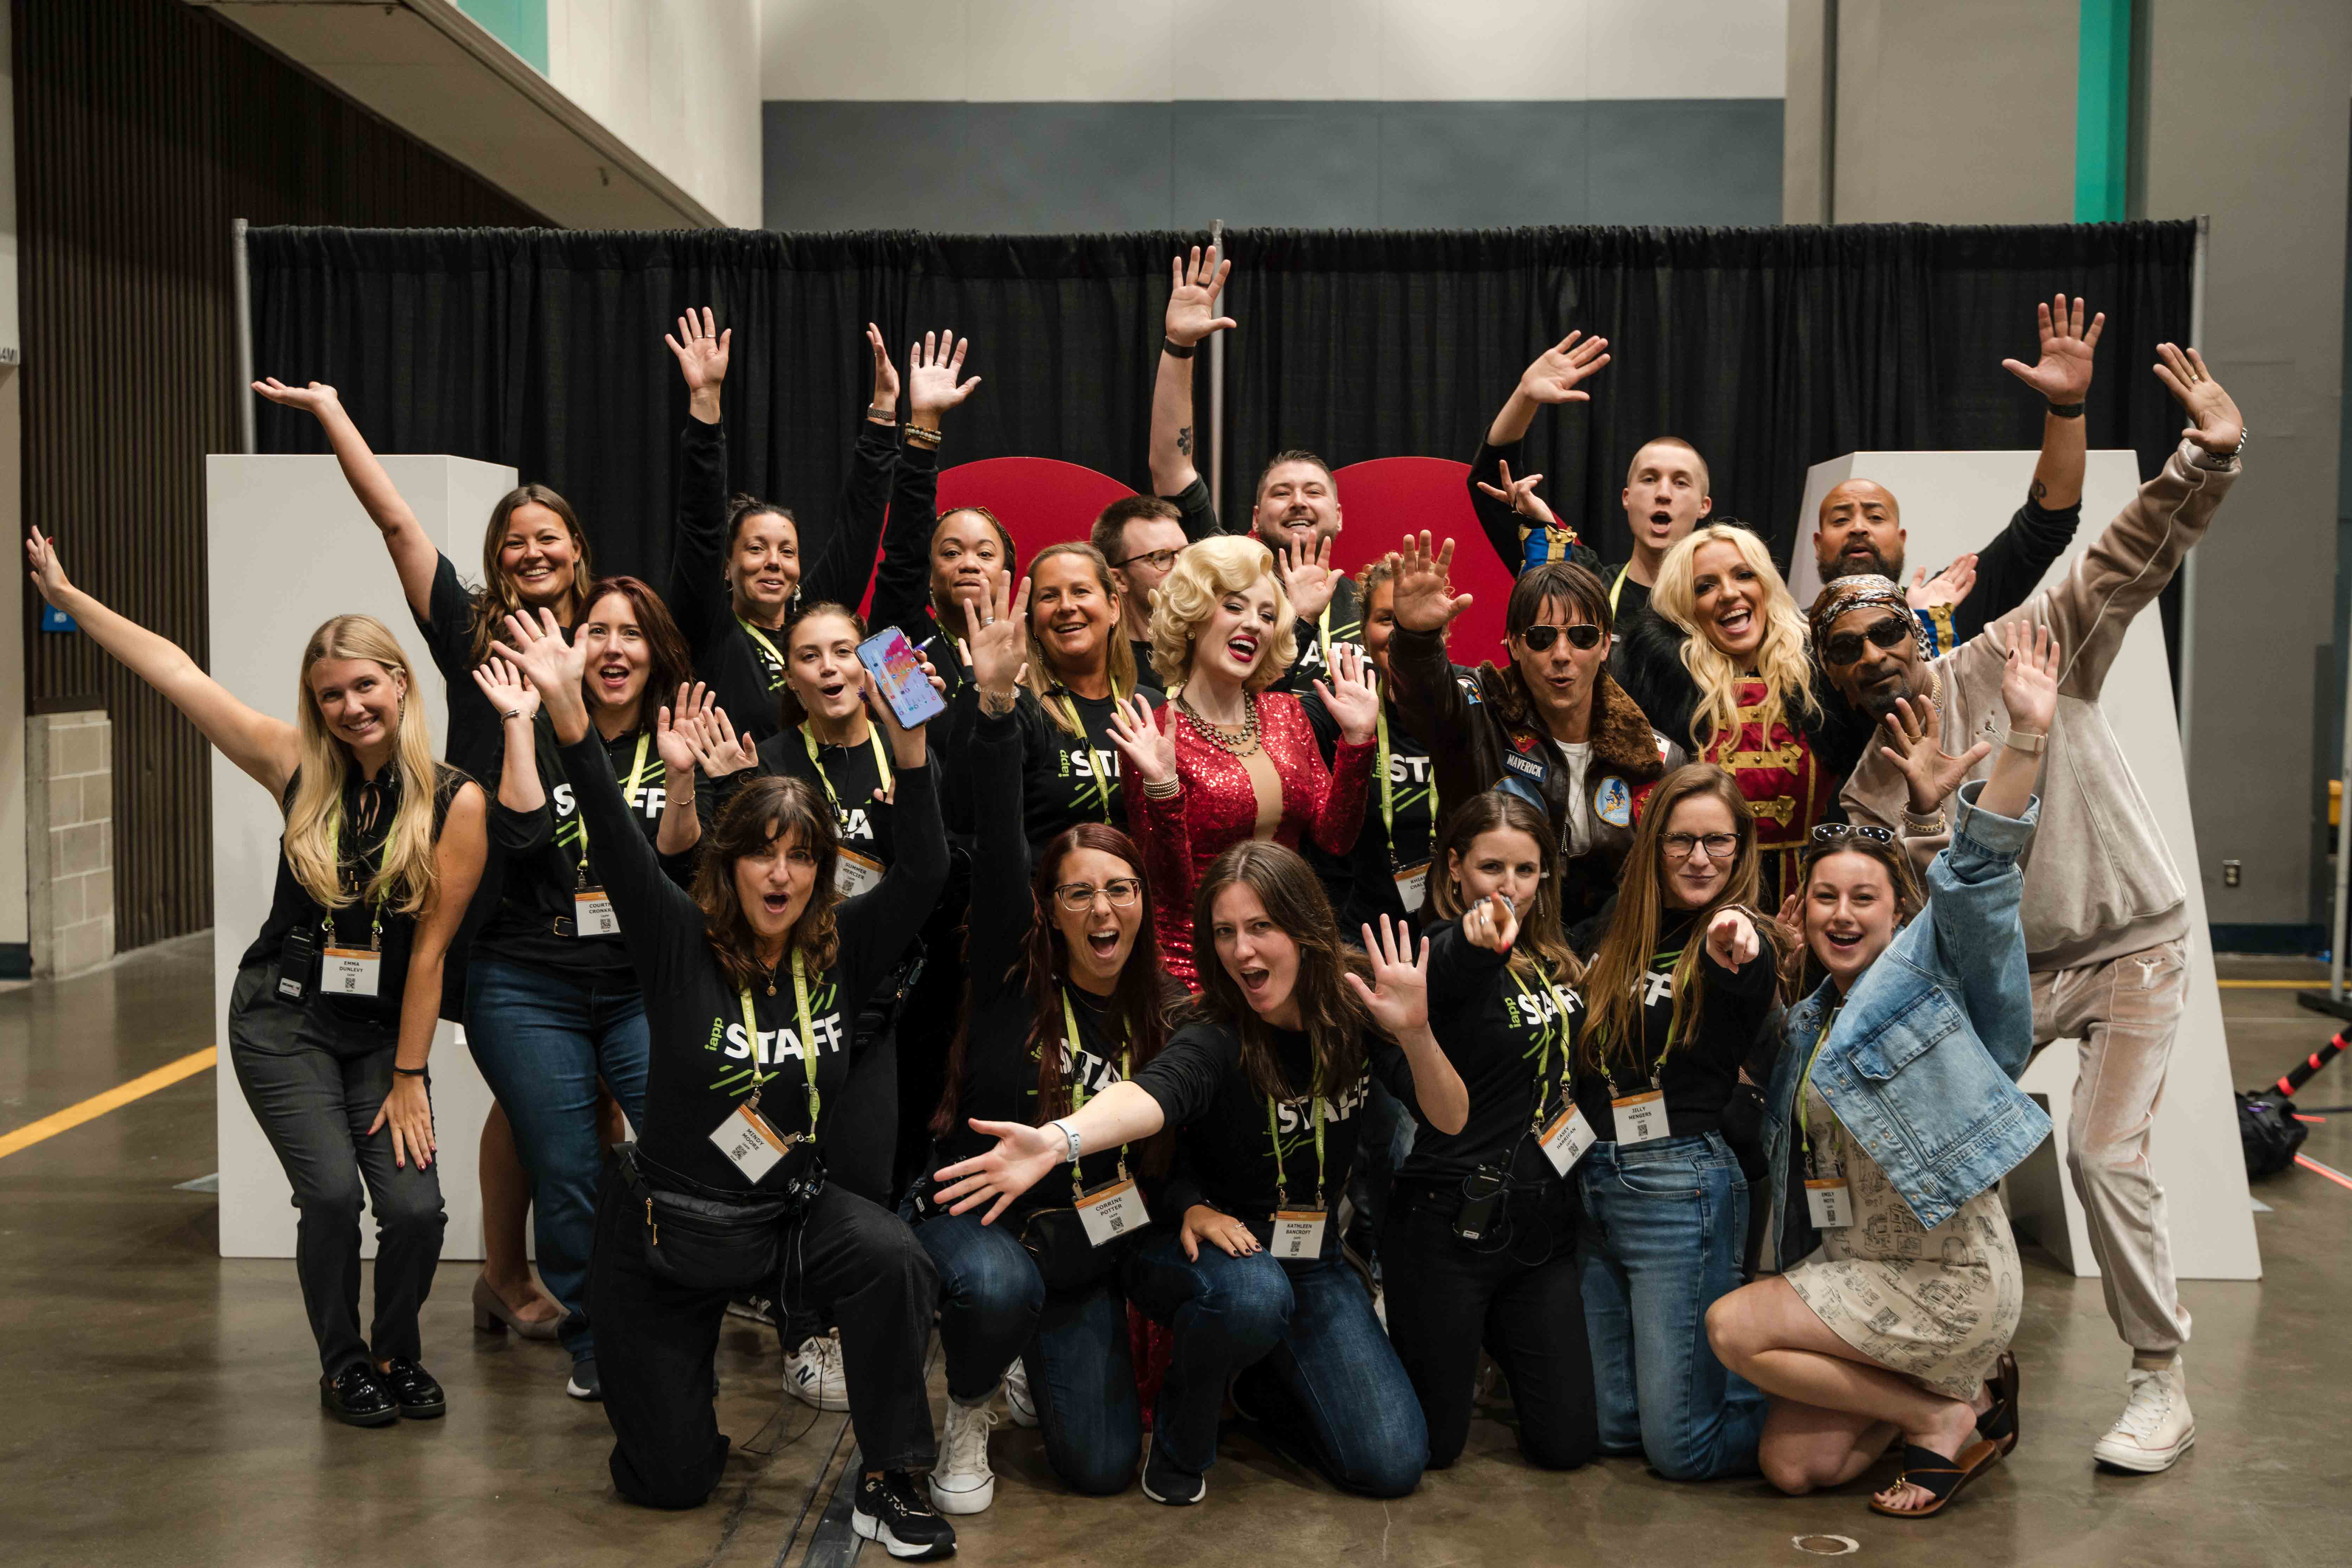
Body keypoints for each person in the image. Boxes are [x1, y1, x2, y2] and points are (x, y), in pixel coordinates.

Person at [1827, 343, 2244, 1475]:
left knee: (2108, 1160)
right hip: (2008, 977)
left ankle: (2161, 1380)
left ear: (1918, 623)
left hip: (2126, 948)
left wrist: (2207, 455)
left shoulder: (2018, 648)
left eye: (1884, 632)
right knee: (1925, 1148)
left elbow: (2117, 560)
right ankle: (1961, 1372)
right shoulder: (1870, 779)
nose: (1874, 657)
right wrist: (1918, 816)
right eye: (1847, 650)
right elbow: (1930, 921)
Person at [496, 604, 954, 1554]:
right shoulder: (677, 941)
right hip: (668, 1231)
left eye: (801, 857)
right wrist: (565, 707)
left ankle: (889, 1474)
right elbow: (618, 843)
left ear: (823, 870)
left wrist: (910, 752)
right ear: (728, 863)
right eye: (760, 853)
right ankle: (669, 1392)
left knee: (892, 1255)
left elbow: (925, 868)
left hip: (786, 1220)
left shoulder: (845, 949)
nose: (781, 875)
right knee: (669, 1484)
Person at [28, 528, 485, 1426]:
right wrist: (70, 599)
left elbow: (430, 953)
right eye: (332, 694)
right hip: (283, 1019)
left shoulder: (454, 797)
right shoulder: (294, 764)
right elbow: (179, 674)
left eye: (365, 684)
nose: (352, 705)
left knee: (417, 1208)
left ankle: (395, 1347)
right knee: (327, 1195)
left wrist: (409, 1077)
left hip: (384, 1037)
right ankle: (343, 1361)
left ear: (399, 681)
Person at [933, 843, 1468, 1505]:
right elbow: (1154, 1095)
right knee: (1243, 1305)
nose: (1242, 951)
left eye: (1261, 926)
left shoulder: (1355, 1008)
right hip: (1219, 1254)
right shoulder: (1211, 1028)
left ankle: (1257, 1381)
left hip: (1316, 1261)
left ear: (1304, 925)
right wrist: (1058, 1139)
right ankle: (1185, 1447)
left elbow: (1449, 1120)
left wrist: (1416, 1035)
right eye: (1224, 932)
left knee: (1393, 1464)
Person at [252, 371, 589, 1338]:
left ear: (576, 550)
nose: (532, 551)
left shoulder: (611, 631)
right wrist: (331, 416)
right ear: (495, 557)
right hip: (490, 892)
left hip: (586, 892)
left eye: (547, 536)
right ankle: (504, 1274)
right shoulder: (469, 629)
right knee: (528, 1093)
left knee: (589, 1099)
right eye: (513, 540)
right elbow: (398, 526)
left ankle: (573, 1270)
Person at [1705, 624, 2057, 1518]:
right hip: (1857, 1270)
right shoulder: (1811, 1017)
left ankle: (1940, 1413)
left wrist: (2024, 737)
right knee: (1794, 1466)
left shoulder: (1926, 983)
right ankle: (1966, 1405)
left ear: (1900, 909)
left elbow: (1976, 880)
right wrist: (1751, 971)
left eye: (1865, 896)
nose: (1842, 912)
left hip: (1947, 1276)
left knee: (1733, 1326)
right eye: (1825, 895)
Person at [912, 589, 1179, 1509]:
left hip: (1083, 1246)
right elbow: (993, 845)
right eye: (1076, 895)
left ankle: (1036, 1338)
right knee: (994, 1287)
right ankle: (969, 1403)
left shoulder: (1161, 1006)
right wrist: (990, 708)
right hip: (983, 1225)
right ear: (1047, 910)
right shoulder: (1008, 976)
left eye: (1119, 890)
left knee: (1104, 1468)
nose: (1101, 911)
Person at [688, 597, 938, 1408]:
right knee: (778, 1161)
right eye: (810, 655)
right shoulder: (764, 757)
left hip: (877, 1001)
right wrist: (726, 789)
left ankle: (847, 1323)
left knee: (865, 1177)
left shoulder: (908, 743)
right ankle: (801, 1331)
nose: (831, 667)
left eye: (846, 650)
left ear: (871, 666)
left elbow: (938, 865)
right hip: (780, 1004)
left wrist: (916, 757)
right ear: (787, 674)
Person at [466, 576, 705, 1401]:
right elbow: (527, 835)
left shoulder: (679, 730)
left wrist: (681, 777)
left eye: (630, 633)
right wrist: (522, 725)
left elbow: (678, 865)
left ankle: (678, 1307)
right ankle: (595, 1336)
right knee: (567, 1167)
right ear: (573, 649)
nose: (612, 647)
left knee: (681, 1146)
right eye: (595, 631)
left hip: (642, 982)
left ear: (655, 650)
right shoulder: (529, 716)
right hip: (530, 980)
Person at [1573, 763, 1785, 1480]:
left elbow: (1745, 964)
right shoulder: (1615, 928)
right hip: (1592, 1182)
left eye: (1717, 843)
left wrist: (1738, 934)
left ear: (1740, 849)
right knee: (1611, 1430)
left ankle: (1832, 1418)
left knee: (1681, 1452)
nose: (1700, 859)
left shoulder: (1735, 938)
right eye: (1681, 842)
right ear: (1653, 844)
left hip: (1680, 1186)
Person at [1382, 791, 1601, 1473]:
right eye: (1489, 868)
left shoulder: (1556, 959)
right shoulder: (1435, 958)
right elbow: (1451, 966)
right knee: (1434, 1450)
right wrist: (1477, 947)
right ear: (1453, 870)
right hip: (1449, 1226)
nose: (1508, 888)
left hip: (1542, 1232)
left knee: (1566, 1448)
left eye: (1525, 871)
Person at [1111, 534, 1379, 989]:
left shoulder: (1286, 713)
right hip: (1198, 979)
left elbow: (1334, 839)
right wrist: (1161, 787)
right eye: (1234, 607)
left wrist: (1356, 743)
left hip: (1293, 959)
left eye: (1267, 615)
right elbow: (1171, 894)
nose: (1254, 625)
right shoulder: (1154, 735)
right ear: (1193, 618)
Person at [1383, 536, 1684, 934]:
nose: (1562, 654)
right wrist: (1417, 640)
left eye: (1582, 637)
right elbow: (1423, 702)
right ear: (1514, 645)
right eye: (1542, 638)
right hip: (1481, 951)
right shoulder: (1476, 714)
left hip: (1606, 961)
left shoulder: (1657, 758)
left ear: (1606, 646)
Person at [663, 310, 908, 742]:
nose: (774, 563)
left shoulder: (816, 621)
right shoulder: (709, 628)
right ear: (726, 566)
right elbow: (700, 528)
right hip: (739, 804)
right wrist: (705, 401)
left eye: (788, 552)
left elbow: (860, 528)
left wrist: (884, 413)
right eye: (756, 549)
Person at [1815, 294, 2105, 654]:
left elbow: (2045, 529)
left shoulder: (1948, 602)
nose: (1859, 527)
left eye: (1875, 516)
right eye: (1841, 519)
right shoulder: (1787, 636)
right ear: (1818, 543)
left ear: (1902, 539)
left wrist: (2067, 407)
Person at [1147, 246, 1358, 689]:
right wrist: (1180, 346)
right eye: (1281, 493)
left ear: (1340, 517)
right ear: (1256, 516)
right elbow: (1171, 468)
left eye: (1314, 492)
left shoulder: (1367, 600)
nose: (1298, 501)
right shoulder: (1226, 569)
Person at [1620, 527, 1858, 907]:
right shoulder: (1662, 692)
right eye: (1705, 587)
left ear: (1766, 586)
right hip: (1693, 907)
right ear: (1685, 609)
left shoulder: (1823, 679)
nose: (1730, 593)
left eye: (1744, 575)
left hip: (1810, 907)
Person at [1462, 333, 1709, 627]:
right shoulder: (1583, 583)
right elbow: (1490, 483)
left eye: (1681, 483)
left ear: (1703, 506)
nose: (1664, 493)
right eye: (1650, 479)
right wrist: (1525, 397)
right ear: (1626, 498)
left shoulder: (1721, 605)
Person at [865, 329, 996, 696]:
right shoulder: (903, 639)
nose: (969, 564)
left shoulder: (1033, 652)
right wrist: (924, 424)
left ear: (1008, 576)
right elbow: (906, 553)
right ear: (930, 575)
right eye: (951, 552)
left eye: (985, 554)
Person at [1009, 543, 1158, 858]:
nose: (1066, 606)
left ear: (1114, 608)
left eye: (1080, 591)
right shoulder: (1018, 710)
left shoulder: (1151, 708)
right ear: (1033, 622)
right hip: (1047, 901)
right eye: (1049, 596)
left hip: (1137, 901)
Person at [1091, 495, 1193, 679]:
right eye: (1161, 558)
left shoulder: (1211, 645)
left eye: (1186, 553)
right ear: (1119, 580)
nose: (1182, 568)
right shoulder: (1100, 667)